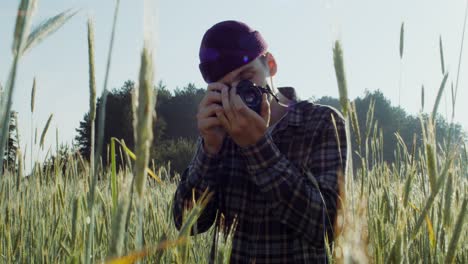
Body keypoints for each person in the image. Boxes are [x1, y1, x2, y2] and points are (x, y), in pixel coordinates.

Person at [172, 20, 347, 263]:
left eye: (247, 78)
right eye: (226, 88)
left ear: (271, 65)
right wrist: (209, 149)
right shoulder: (221, 131)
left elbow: (327, 227)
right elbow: (188, 223)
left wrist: (257, 145)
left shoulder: (322, 122)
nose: (239, 96)